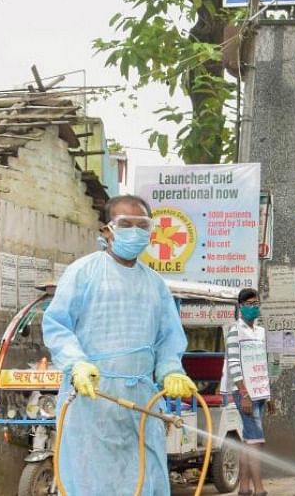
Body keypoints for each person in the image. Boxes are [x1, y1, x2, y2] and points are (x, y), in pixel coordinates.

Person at [43, 194, 197, 495]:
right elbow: (57, 324)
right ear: (106, 231)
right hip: (91, 399)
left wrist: (170, 369)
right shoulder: (82, 273)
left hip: (141, 402)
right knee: (91, 481)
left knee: (145, 477)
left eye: (143, 225)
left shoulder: (155, 285)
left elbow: (168, 338)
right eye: (126, 224)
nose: (136, 232)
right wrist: (76, 363)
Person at [223, 288, 271, 496]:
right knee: (255, 441)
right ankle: (259, 488)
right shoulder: (235, 331)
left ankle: (244, 487)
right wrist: (244, 394)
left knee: (249, 441)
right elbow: (234, 365)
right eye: (249, 304)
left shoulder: (260, 332)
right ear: (240, 307)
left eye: (256, 303)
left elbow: (262, 363)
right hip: (243, 392)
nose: (254, 307)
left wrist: (269, 395)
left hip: (259, 391)